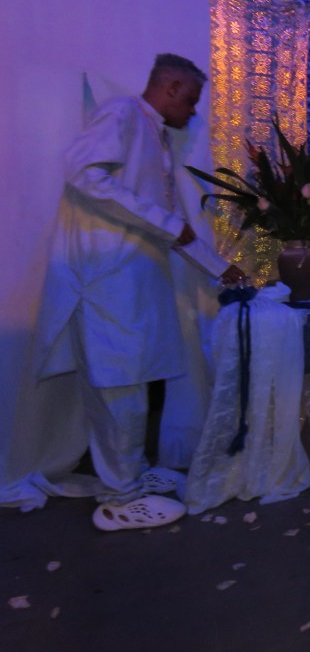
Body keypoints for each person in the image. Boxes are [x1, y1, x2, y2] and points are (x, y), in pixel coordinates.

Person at [35, 53, 246, 531]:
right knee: (119, 387)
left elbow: (174, 226)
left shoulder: (155, 134)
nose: (192, 111)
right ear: (170, 88)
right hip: (108, 280)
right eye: (190, 100)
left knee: (134, 380)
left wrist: (221, 269)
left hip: (133, 281)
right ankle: (120, 497)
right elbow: (83, 171)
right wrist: (167, 224)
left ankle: (130, 472)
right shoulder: (123, 112)